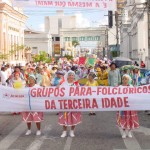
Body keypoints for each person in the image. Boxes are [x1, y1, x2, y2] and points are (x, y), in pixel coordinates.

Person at [59, 70, 81, 138]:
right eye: (70, 75)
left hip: (74, 104)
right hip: (65, 104)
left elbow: (80, 93)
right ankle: (64, 131)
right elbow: (59, 91)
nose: (71, 76)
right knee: (64, 117)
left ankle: (72, 131)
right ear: (67, 77)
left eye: (72, 75)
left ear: (74, 77)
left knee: (73, 117)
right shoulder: (63, 84)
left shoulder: (76, 84)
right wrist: (57, 87)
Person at [117, 74, 139, 138]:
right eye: (123, 79)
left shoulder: (131, 87)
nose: (124, 80)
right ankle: (124, 132)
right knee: (123, 118)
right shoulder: (119, 87)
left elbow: (134, 95)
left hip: (130, 106)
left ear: (128, 80)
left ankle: (129, 132)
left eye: (126, 79)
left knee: (130, 119)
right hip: (122, 106)